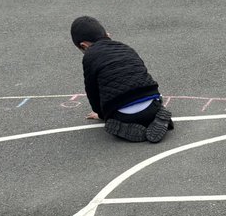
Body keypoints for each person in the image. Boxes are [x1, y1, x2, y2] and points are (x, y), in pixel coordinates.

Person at [70, 15, 174, 143]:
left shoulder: (90, 56)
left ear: (84, 46)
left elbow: (92, 91)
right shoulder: (125, 48)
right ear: (107, 35)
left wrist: (101, 114)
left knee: (111, 119)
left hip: (124, 115)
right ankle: (158, 115)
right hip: (152, 104)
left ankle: (123, 126)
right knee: (148, 94)